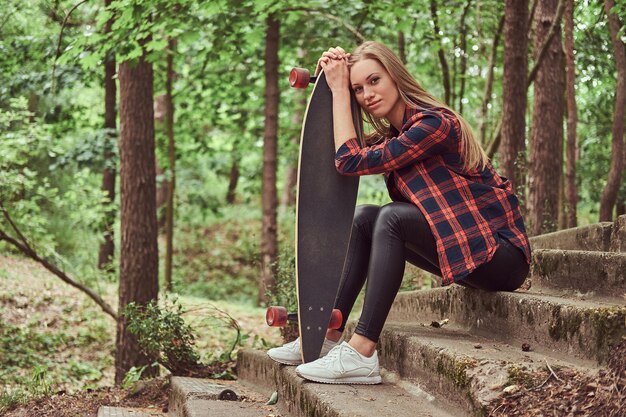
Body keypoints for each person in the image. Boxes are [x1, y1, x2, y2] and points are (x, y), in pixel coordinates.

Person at [267, 41, 531, 385]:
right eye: (357, 88)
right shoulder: (396, 135)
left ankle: (362, 352)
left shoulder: (434, 124)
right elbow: (347, 149)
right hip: (462, 251)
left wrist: (339, 88)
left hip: (502, 258)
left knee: (391, 216)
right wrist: (333, 85)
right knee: (365, 217)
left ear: (395, 76)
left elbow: (350, 160)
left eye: (374, 81)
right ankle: (325, 339)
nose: (367, 94)